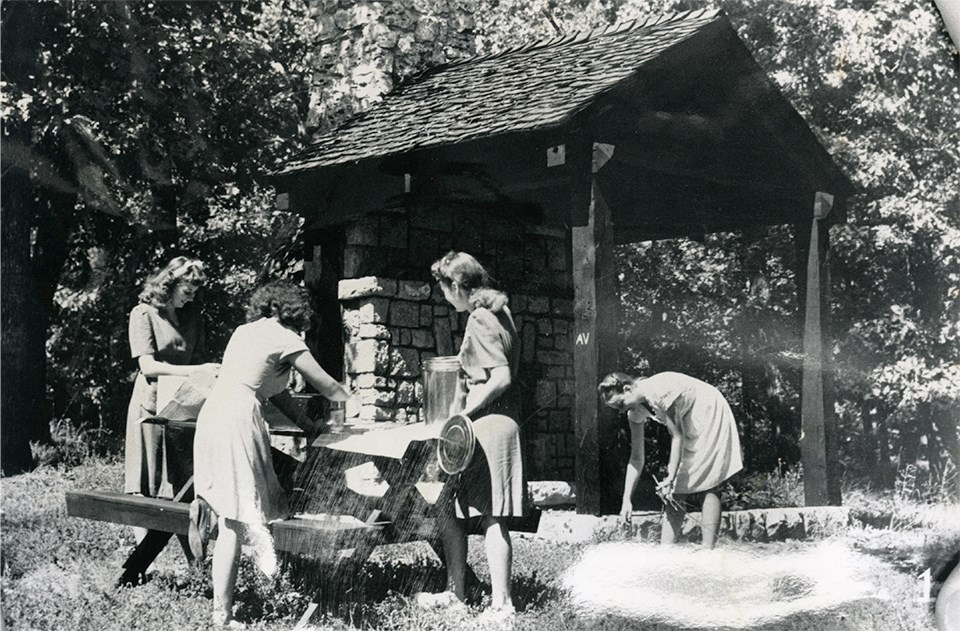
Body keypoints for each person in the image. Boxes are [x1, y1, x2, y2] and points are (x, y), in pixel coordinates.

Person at [191, 280, 351, 628]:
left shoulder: (245, 332)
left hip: (213, 415)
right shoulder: (284, 337)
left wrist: (309, 427)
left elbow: (275, 393)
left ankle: (248, 597)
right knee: (234, 520)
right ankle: (222, 617)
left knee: (231, 513)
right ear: (293, 309)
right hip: (237, 420)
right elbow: (327, 386)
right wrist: (353, 403)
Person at [419, 251, 523, 621]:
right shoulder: (499, 312)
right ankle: (456, 591)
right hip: (489, 423)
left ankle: (501, 605)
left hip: (487, 425)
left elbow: (501, 377)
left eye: (445, 289)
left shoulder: (479, 318)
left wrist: (463, 413)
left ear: (457, 286)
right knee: (450, 505)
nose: (444, 297)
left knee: (493, 517)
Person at [598, 371, 743, 549]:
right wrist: (626, 500)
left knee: (708, 481)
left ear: (627, 389)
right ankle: (666, 550)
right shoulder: (634, 412)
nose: (621, 411)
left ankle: (708, 550)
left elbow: (677, 437)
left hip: (707, 408)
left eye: (621, 404)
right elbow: (636, 458)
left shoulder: (656, 391)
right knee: (674, 490)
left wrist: (670, 477)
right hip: (688, 417)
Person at [125, 256, 218, 504]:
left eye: (195, 293)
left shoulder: (192, 317)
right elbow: (147, 366)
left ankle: (187, 543)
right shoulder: (143, 313)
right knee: (147, 486)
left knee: (181, 484)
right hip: (151, 404)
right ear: (170, 284)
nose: (191, 297)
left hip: (183, 405)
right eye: (188, 291)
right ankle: (143, 544)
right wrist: (196, 370)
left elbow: (198, 361)